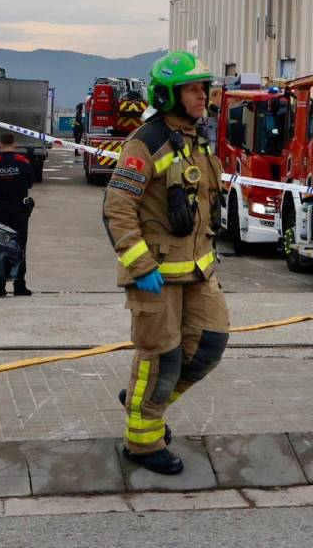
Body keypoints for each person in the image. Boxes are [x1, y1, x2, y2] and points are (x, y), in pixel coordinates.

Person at [102, 51, 228, 476]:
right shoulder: (147, 142)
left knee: (210, 343)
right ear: (168, 94)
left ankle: (144, 404)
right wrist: (140, 266)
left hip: (197, 272)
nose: (202, 96)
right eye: (193, 88)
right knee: (162, 359)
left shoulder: (197, 138)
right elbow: (118, 207)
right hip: (155, 274)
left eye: (204, 88)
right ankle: (141, 441)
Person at [0, 133, 34, 297]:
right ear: (14, 145)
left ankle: (0, 286)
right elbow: (30, 183)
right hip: (18, 210)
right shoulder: (23, 163)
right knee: (20, 246)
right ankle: (19, 284)